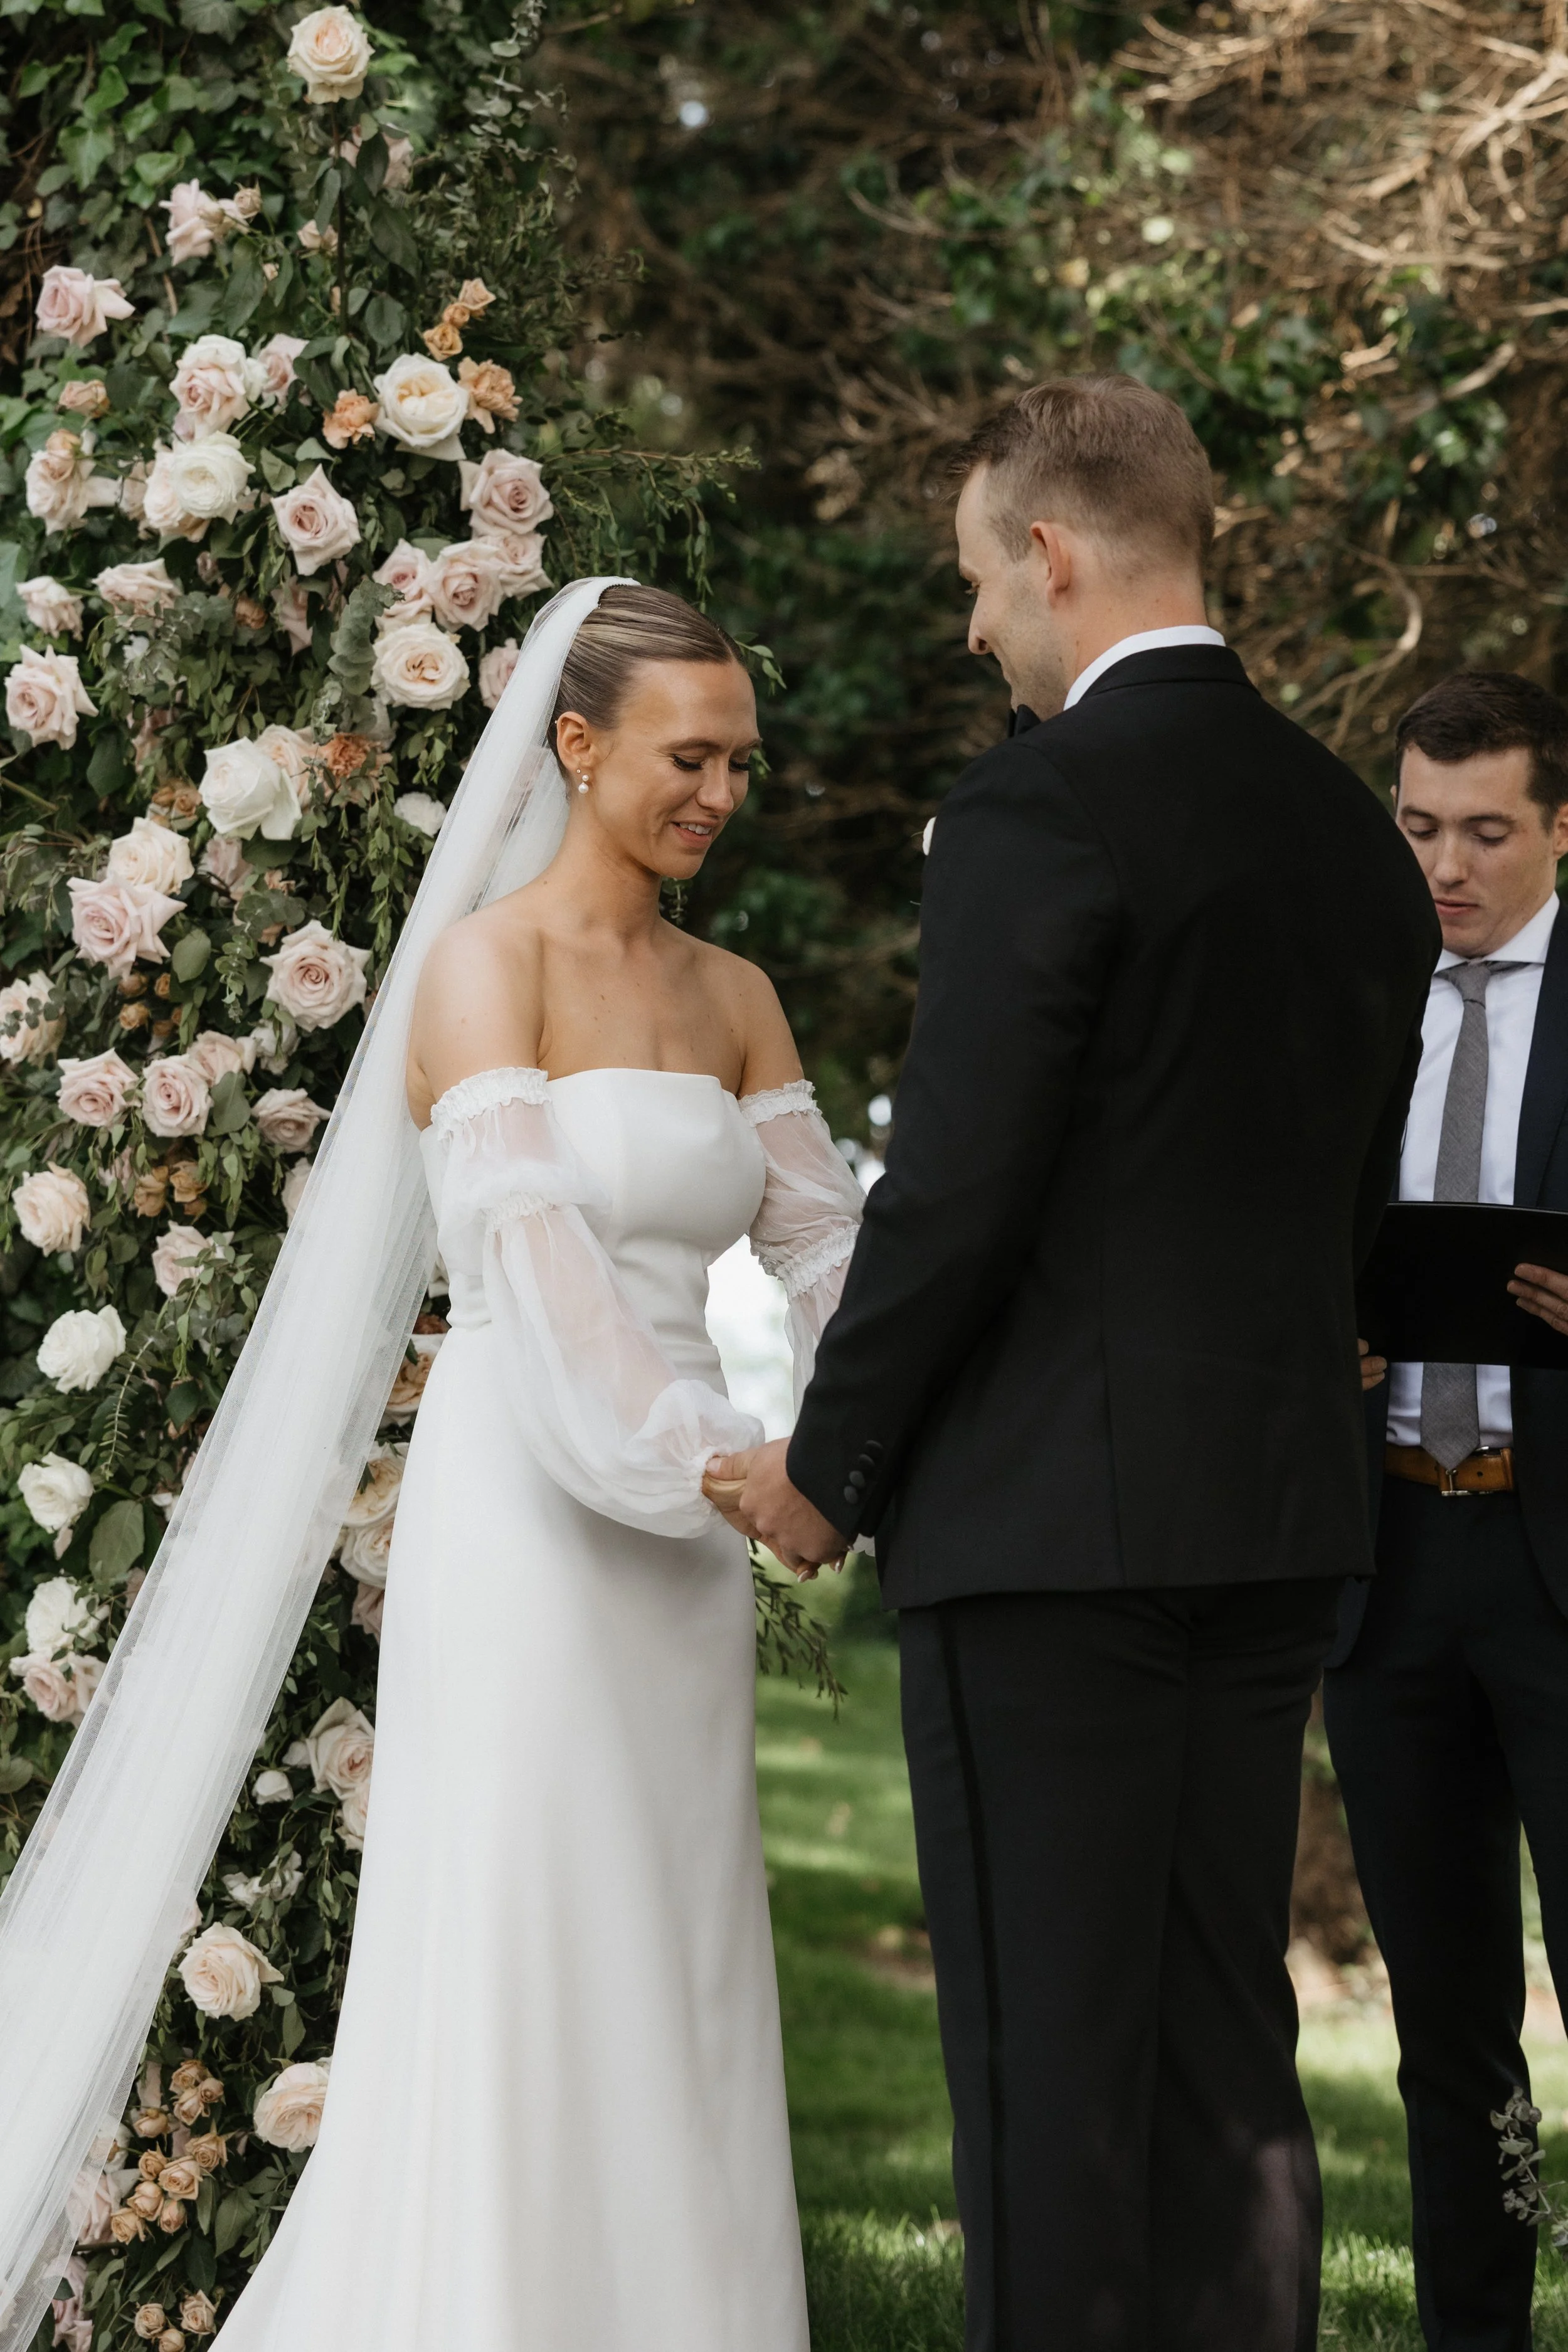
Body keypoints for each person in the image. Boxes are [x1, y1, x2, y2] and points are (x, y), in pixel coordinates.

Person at [0, 582, 866, 2351]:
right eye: (685, 757)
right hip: (538, 1503)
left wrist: (838, 1444)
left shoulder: (735, 993)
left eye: (741, 763)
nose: (719, 792)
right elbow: (537, 1273)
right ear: (575, 746)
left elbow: (837, 1258)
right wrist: (731, 1467)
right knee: (528, 1922)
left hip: (688, 1534)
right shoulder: (486, 966)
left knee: (676, 1938)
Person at [711, 374, 1441, 2352]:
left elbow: (957, 1187)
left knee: (1047, 2061)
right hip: (1280, 1517)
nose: (970, 627)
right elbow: (1341, 1195)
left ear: (1049, 551)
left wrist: (824, 1467)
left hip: (1052, 1538)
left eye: (973, 576)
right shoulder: (1350, 835)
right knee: (1225, 2057)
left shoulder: (1041, 800)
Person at [1323, 670, 1568, 2352]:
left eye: (1485, 830)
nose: (1444, 866)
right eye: (1415, 827)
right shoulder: (1350, 998)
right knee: (1445, 2018)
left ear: (1561, 825)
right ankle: (1474, 2333)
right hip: (1391, 1560)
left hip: (1563, 1571)